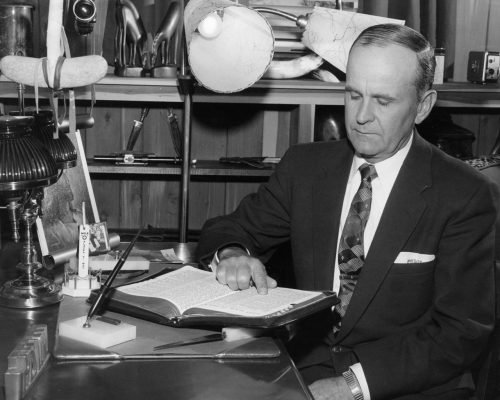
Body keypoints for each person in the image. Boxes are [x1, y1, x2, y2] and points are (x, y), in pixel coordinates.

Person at [196, 23, 497, 400]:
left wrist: (352, 386)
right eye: (353, 95)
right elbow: (224, 229)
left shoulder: (465, 194)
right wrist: (233, 254)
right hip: (304, 373)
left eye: (383, 101)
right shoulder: (305, 168)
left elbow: (461, 332)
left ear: (423, 106)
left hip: (411, 386)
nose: (361, 116)